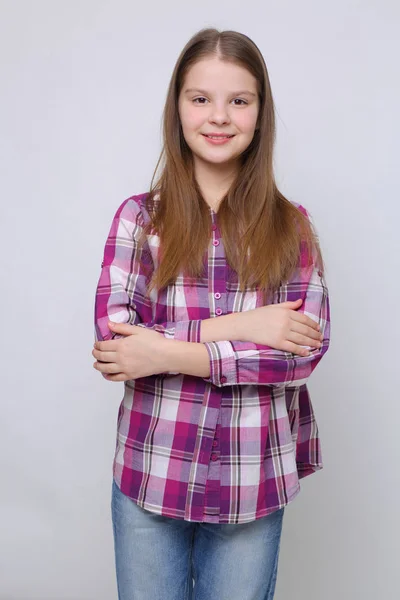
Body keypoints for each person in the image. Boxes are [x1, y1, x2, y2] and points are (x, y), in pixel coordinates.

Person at [92, 27, 331, 600]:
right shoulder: (138, 220)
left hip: (253, 485)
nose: (219, 117)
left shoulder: (291, 226)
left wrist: (167, 351)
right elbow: (116, 344)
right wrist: (244, 326)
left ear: (260, 113)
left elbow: (299, 356)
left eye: (238, 100)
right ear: (177, 109)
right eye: (201, 99)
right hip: (152, 474)